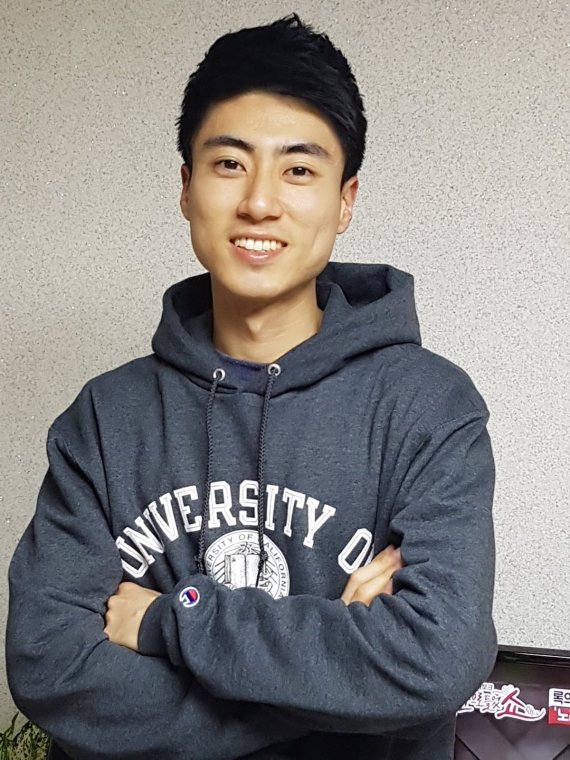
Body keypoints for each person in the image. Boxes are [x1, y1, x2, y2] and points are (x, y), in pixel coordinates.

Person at [6, 13, 497, 760]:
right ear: (186, 187)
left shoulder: (429, 407)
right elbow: (51, 669)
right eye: (230, 163)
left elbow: (435, 660)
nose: (260, 201)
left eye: (299, 170)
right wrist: (340, 683)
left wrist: (170, 621)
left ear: (345, 200)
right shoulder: (104, 418)